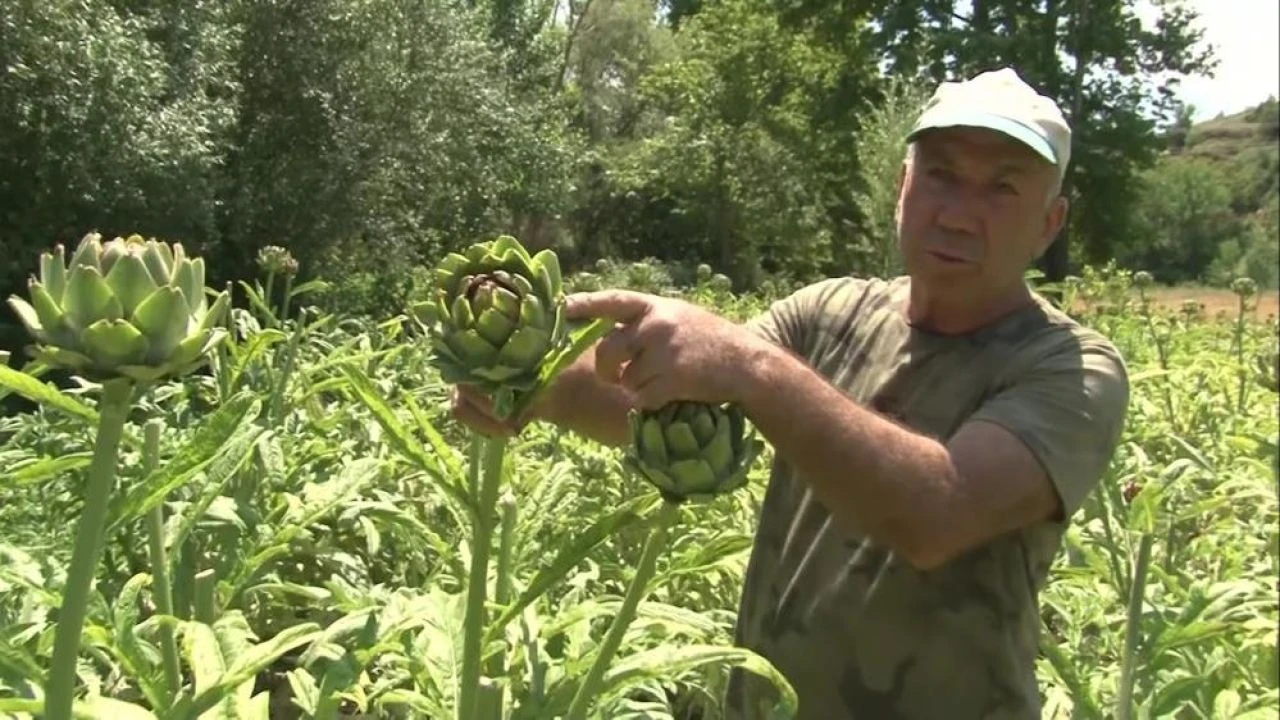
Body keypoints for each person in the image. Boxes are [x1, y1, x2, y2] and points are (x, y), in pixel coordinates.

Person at [452, 67, 1130, 719]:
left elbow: (938, 515)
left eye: (1002, 189)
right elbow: (664, 411)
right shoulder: (828, 314)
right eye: (941, 176)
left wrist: (749, 363)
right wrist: (530, 383)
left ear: (1050, 222)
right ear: (902, 187)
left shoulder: (1071, 369)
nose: (958, 214)